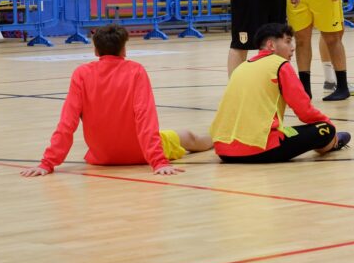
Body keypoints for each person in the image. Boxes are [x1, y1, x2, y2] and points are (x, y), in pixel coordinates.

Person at [20, 24, 213, 177]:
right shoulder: (136, 70)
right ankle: (221, 139)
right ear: (124, 50)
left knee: (177, 136)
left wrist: (47, 163)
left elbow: (67, 122)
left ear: (96, 51)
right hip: (140, 154)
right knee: (189, 136)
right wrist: (158, 161)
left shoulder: (81, 74)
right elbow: (146, 117)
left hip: (101, 157)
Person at [210, 23, 351, 163]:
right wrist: (328, 123)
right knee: (325, 129)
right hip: (259, 149)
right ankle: (334, 141)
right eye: (288, 42)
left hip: (224, 151)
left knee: (285, 130)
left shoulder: (241, 68)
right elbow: (304, 111)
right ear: (271, 45)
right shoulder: (280, 65)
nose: (293, 47)